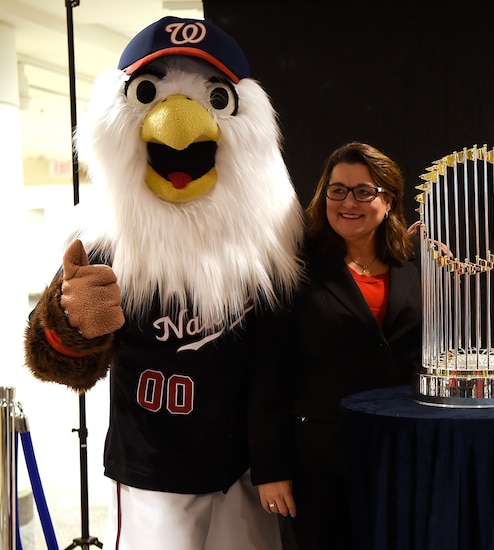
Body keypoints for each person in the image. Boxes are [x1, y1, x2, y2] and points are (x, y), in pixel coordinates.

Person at [23, 17, 303, 549]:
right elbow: (55, 359)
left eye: (215, 97)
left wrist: (272, 461)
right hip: (153, 471)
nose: (178, 123)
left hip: (243, 470)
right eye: (149, 94)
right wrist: (72, 324)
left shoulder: (267, 246)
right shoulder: (110, 241)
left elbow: (277, 359)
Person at [256, 142, 422, 550]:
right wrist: (270, 469)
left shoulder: (417, 269)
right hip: (319, 466)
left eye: (364, 191)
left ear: (388, 201)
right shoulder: (293, 270)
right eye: (338, 190)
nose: (349, 202)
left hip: (402, 459)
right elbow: (266, 376)